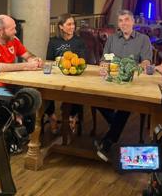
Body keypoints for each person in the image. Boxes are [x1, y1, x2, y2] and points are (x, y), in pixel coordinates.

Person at [95, 9, 153, 161]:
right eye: (120, 21)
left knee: (125, 106)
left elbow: (146, 61)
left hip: (132, 81)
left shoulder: (143, 39)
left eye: (127, 20)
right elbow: (105, 58)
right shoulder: (112, 39)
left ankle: (108, 142)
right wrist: (103, 65)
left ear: (133, 22)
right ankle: (115, 127)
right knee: (94, 97)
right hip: (111, 80)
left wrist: (137, 67)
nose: (124, 23)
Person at [45, 13, 86, 134]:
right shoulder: (53, 41)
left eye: (73, 24)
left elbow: (83, 61)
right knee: (45, 90)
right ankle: (51, 115)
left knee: (77, 90)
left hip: (73, 75)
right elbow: (49, 60)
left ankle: (72, 116)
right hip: (57, 75)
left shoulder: (79, 41)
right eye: (69, 24)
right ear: (61, 27)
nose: (72, 27)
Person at [0, 14, 44, 95]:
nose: (15, 31)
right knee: (12, 103)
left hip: (13, 82)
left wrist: (34, 60)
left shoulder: (13, 39)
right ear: (0, 31)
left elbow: (27, 55)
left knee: (35, 95)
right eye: (12, 29)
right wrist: (25, 66)